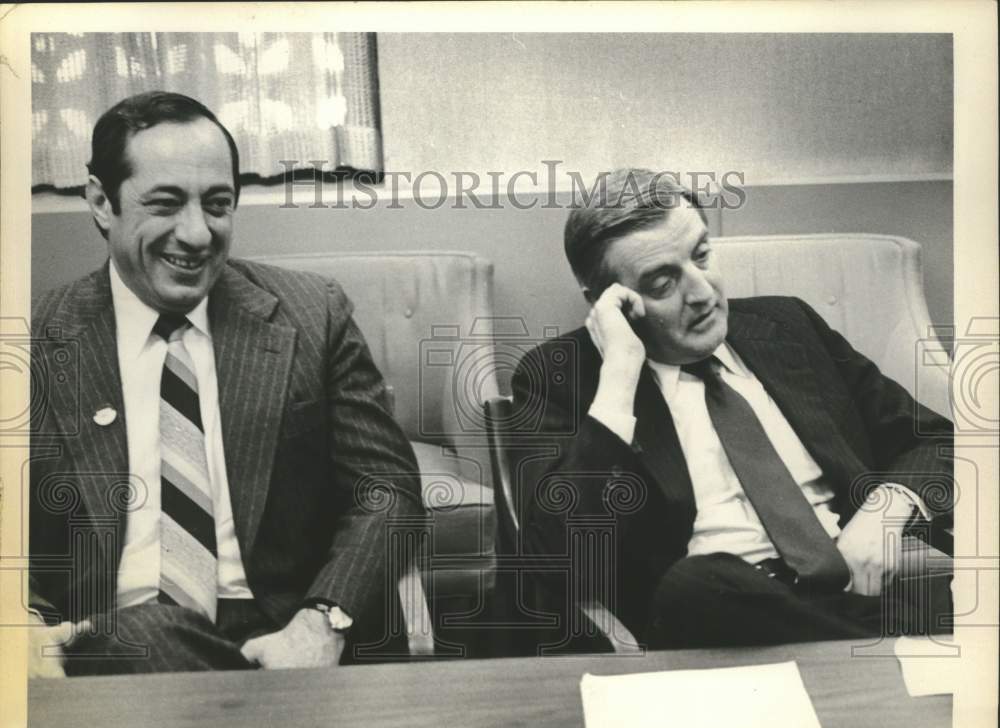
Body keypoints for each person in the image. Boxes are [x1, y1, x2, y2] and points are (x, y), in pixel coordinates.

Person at [27, 91, 423, 676]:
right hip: (111, 651)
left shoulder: (312, 315)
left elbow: (387, 489)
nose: (196, 234)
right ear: (100, 202)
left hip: (286, 644)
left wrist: (322, 623)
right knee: (151, 634)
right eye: (165, 204)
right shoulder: (34, 341)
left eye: (217, 205)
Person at [511, 168, 953, 649]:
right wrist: (619, 375)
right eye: (662, 282)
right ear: (607, 303)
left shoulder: (788, 326)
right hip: (712, 620)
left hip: (853, 597)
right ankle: (905, 648)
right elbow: (554, 559)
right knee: (696, 584)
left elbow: (934, 440)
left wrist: (883, 513)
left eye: (702, 255)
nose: (702, 292)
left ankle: (883, 644)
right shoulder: (561, 376)